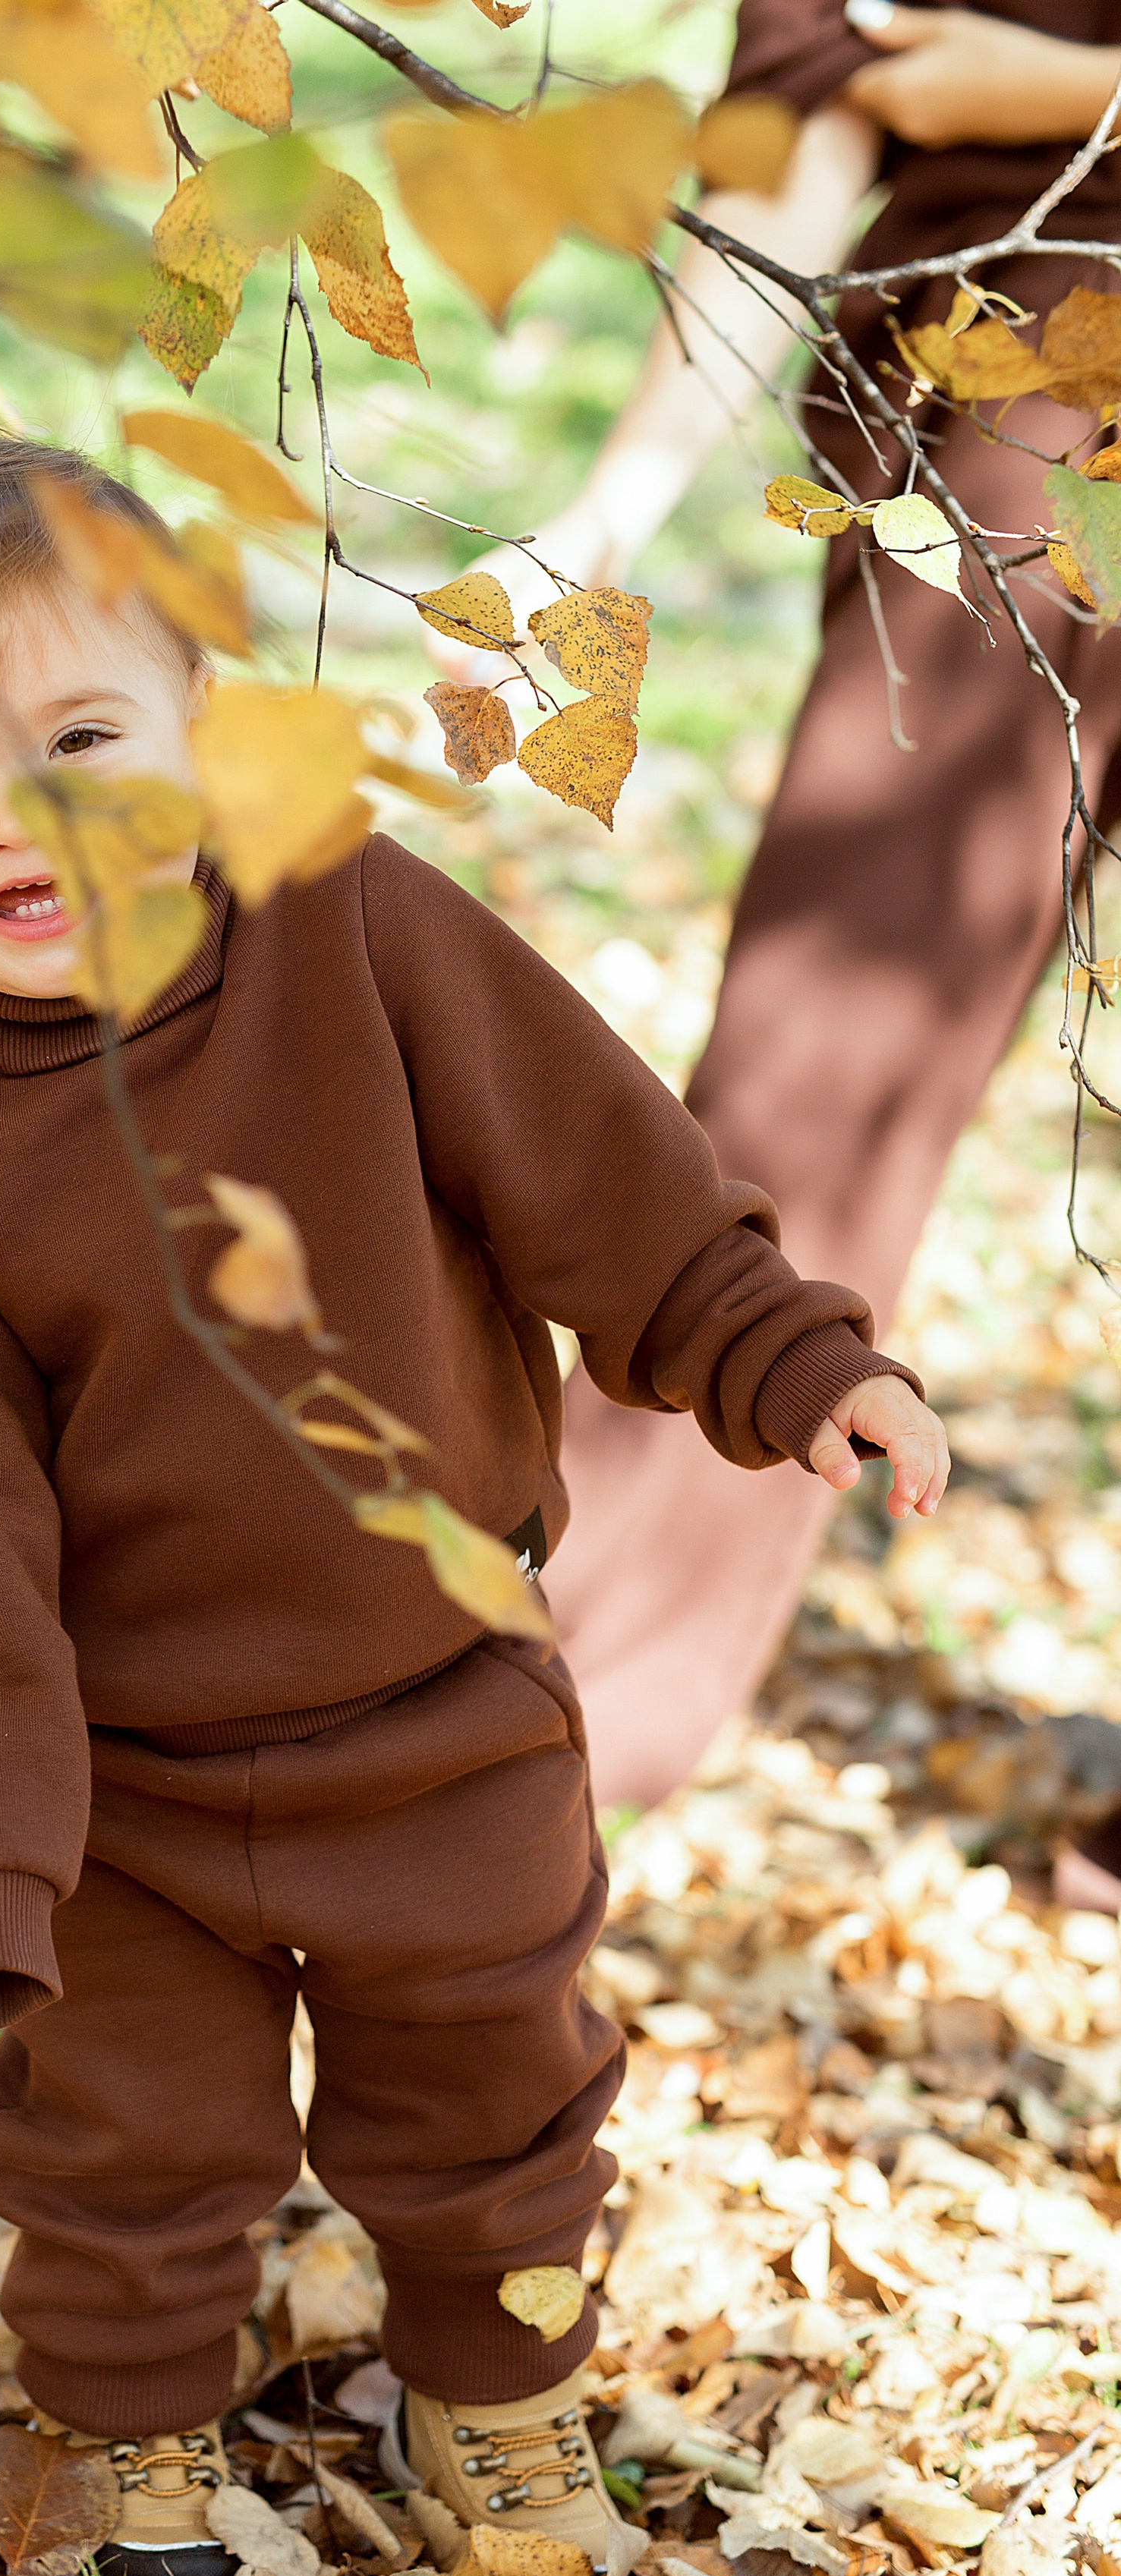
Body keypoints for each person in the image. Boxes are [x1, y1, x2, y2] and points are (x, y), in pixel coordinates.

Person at [0, 428, 949, 2576]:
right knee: (128, 2131)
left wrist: (790, 1359)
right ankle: (129, 2443)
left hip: (433, 1697)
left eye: (80, 742)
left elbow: (606, 1180)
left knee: (494, 2091)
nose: (17, 816)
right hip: (125, 1775)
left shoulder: (351, 926)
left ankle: (497, 2406)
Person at [433, 0, 1121, 1867]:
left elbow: (920, 86)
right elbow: (806, 139)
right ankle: (537, 1703)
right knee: (798, 1086)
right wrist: (603, 516)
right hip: (996, 463)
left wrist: (1050, 89)